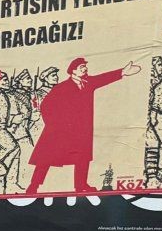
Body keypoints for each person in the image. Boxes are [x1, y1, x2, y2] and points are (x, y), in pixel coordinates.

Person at [26, 58, 137, 195]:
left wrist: (122, 72)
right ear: (73, 70)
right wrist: (55, 125)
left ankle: (81, 186)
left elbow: (102, 78)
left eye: (85, 66)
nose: (85, 68)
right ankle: (33, 186)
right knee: (46, 158)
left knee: (82, 158)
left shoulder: (88, 83)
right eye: (81, 66)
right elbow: (45, 106)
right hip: (60, 131)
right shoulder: (61, 87)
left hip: (81, 131)